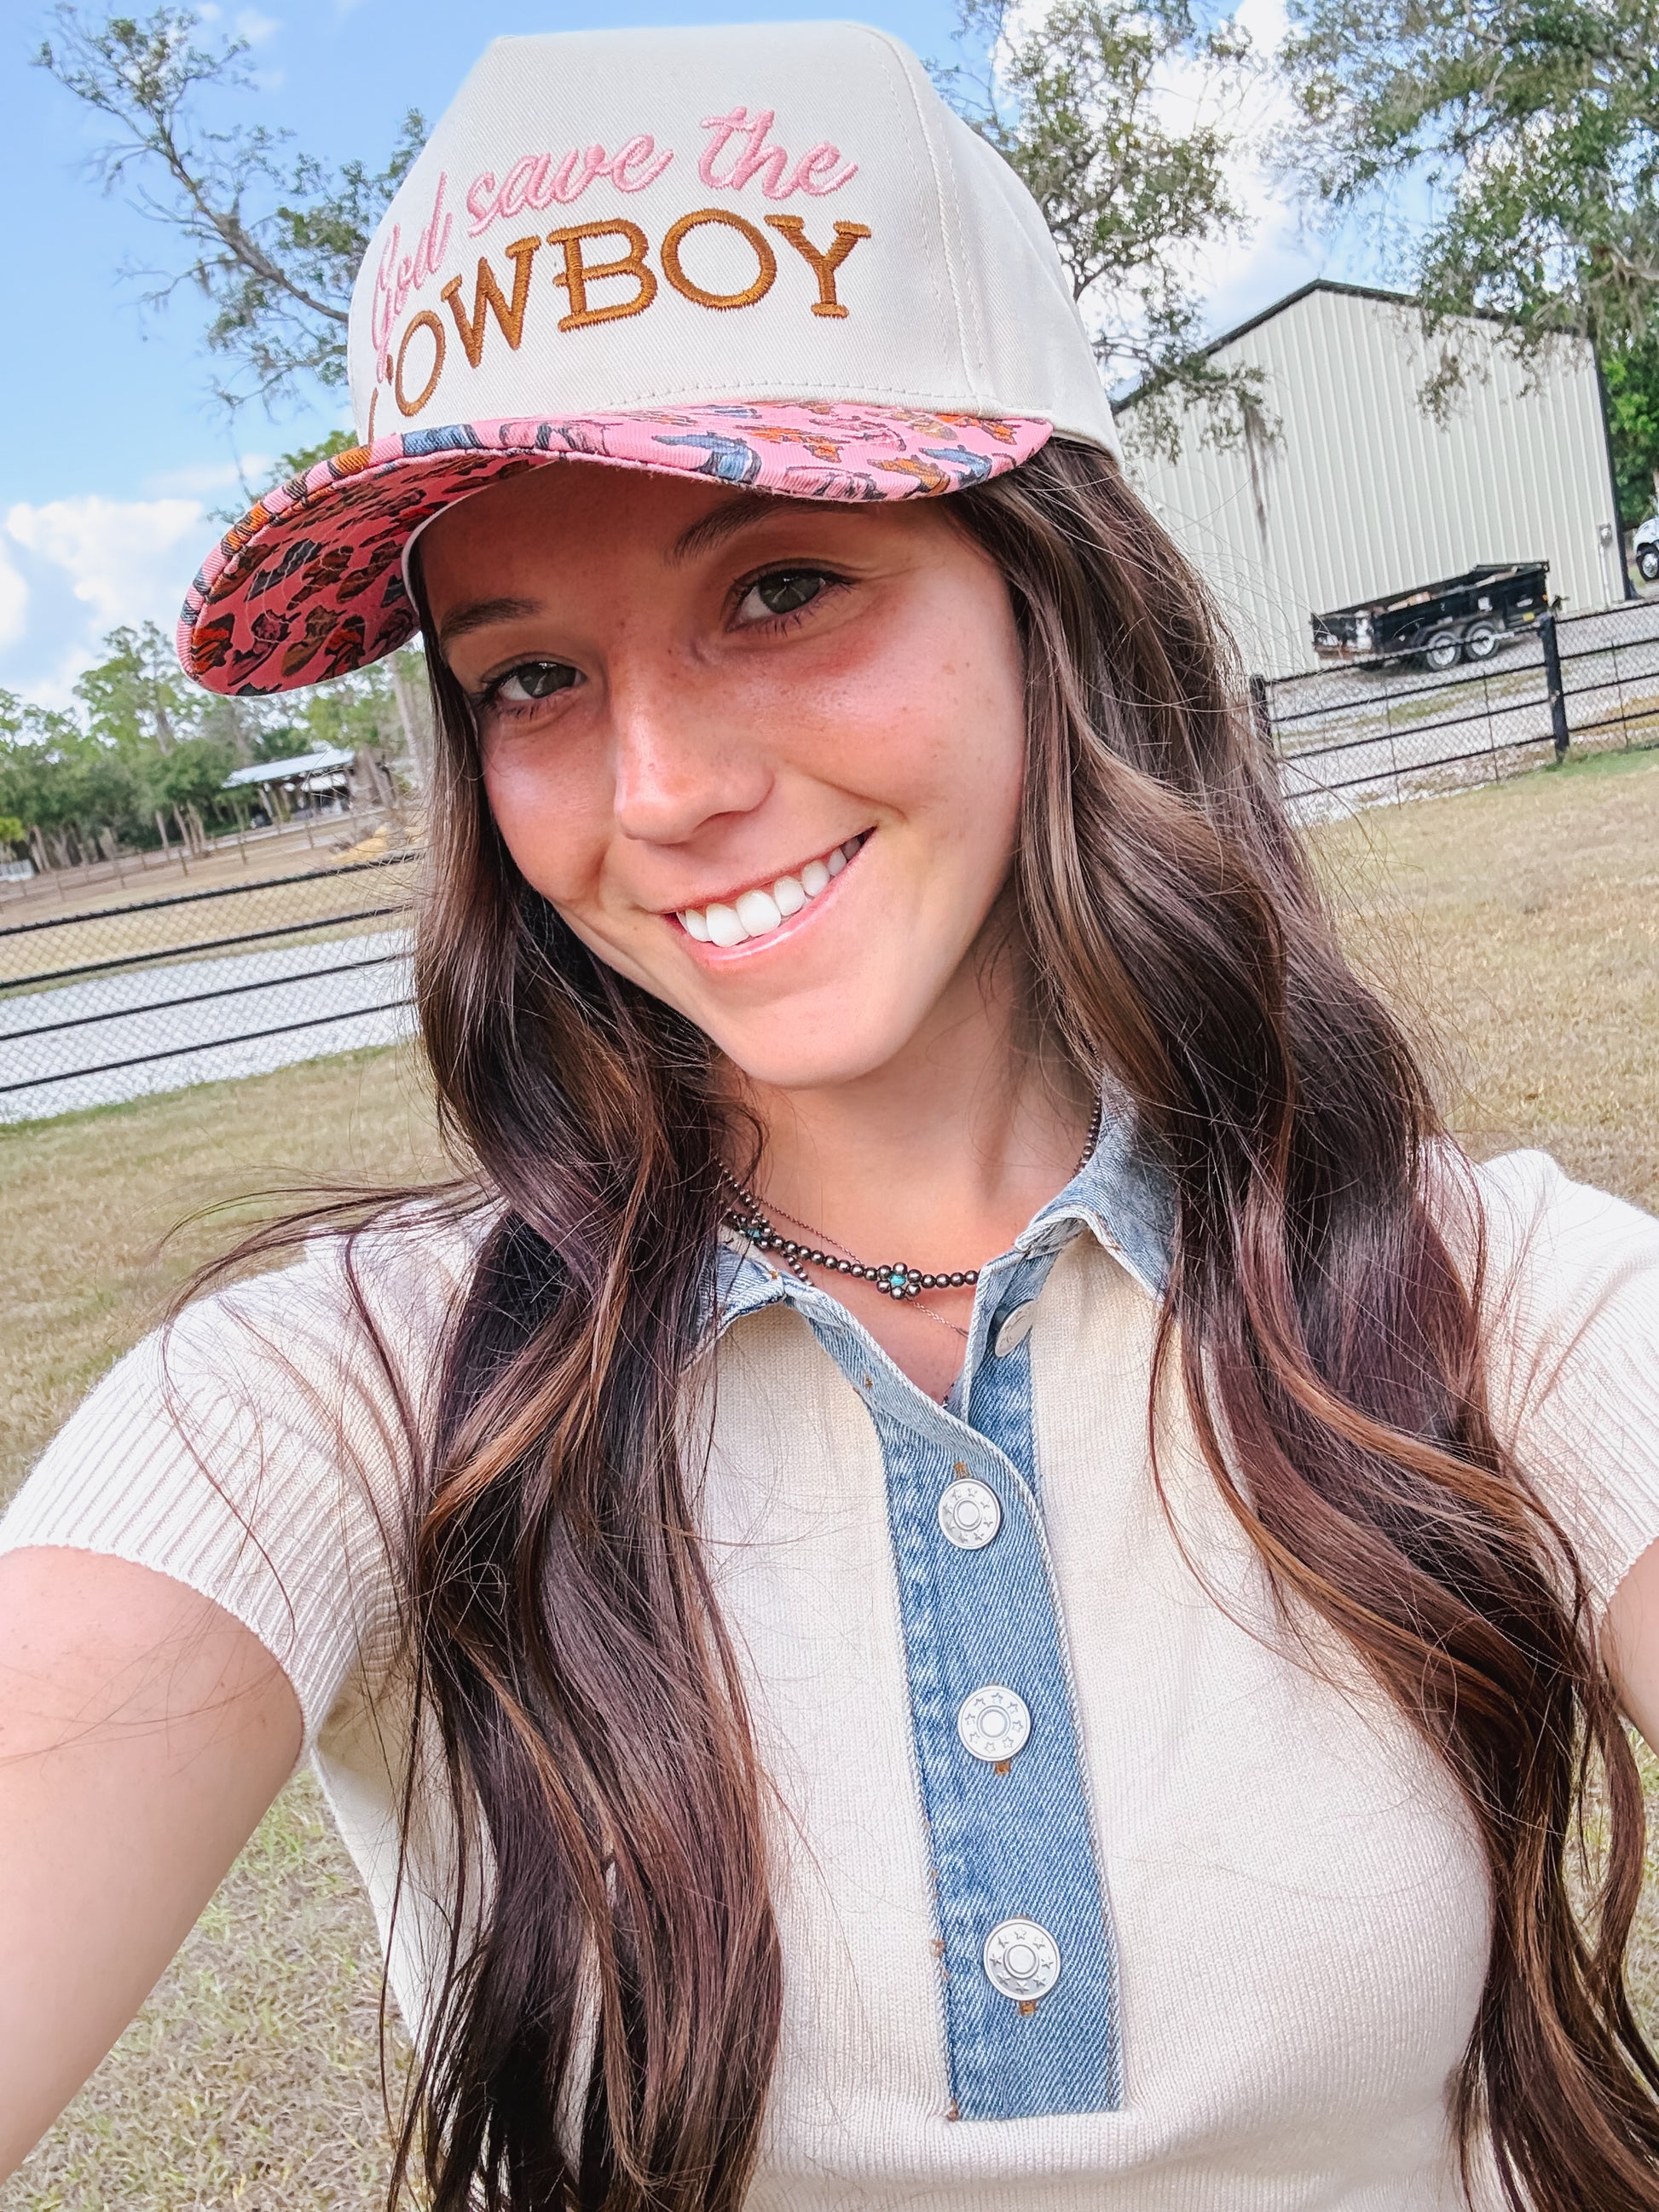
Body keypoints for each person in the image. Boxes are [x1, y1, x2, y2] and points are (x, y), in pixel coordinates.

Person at [3, 19, 1658, 2210]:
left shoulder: (1482, 1295)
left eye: (779, 585)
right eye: (529, 675)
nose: (660, 789)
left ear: (1050, 597)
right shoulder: (347, 1396)